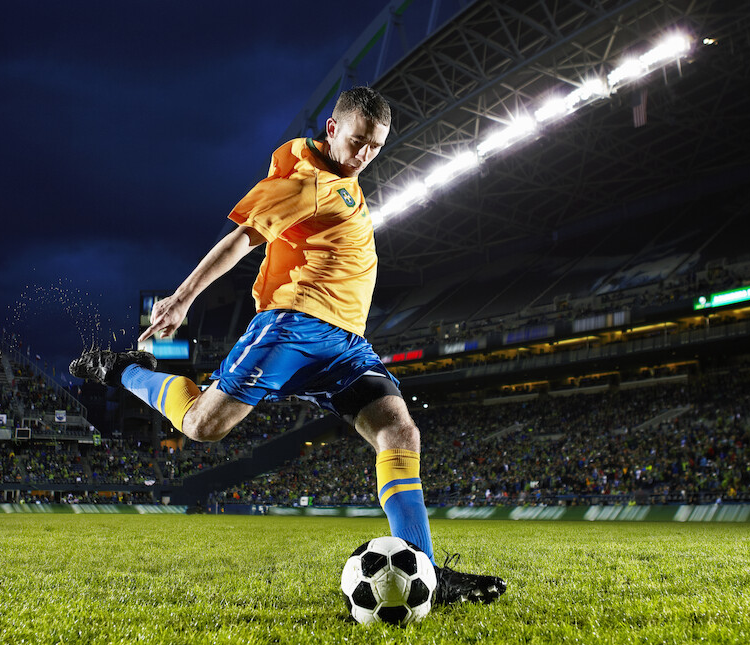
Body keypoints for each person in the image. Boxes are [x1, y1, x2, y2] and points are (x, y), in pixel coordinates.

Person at [71, 86, 505, 605]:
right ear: (332, 130)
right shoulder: (308, 183)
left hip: (346, 345)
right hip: (294, 328)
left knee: (399, 432)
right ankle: (123, 370)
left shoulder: (345, 179)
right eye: (358, 141)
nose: (365, 155)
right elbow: (241, 239)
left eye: (376, 146)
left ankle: (427, 575)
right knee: (202, 426)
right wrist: (183, 299)